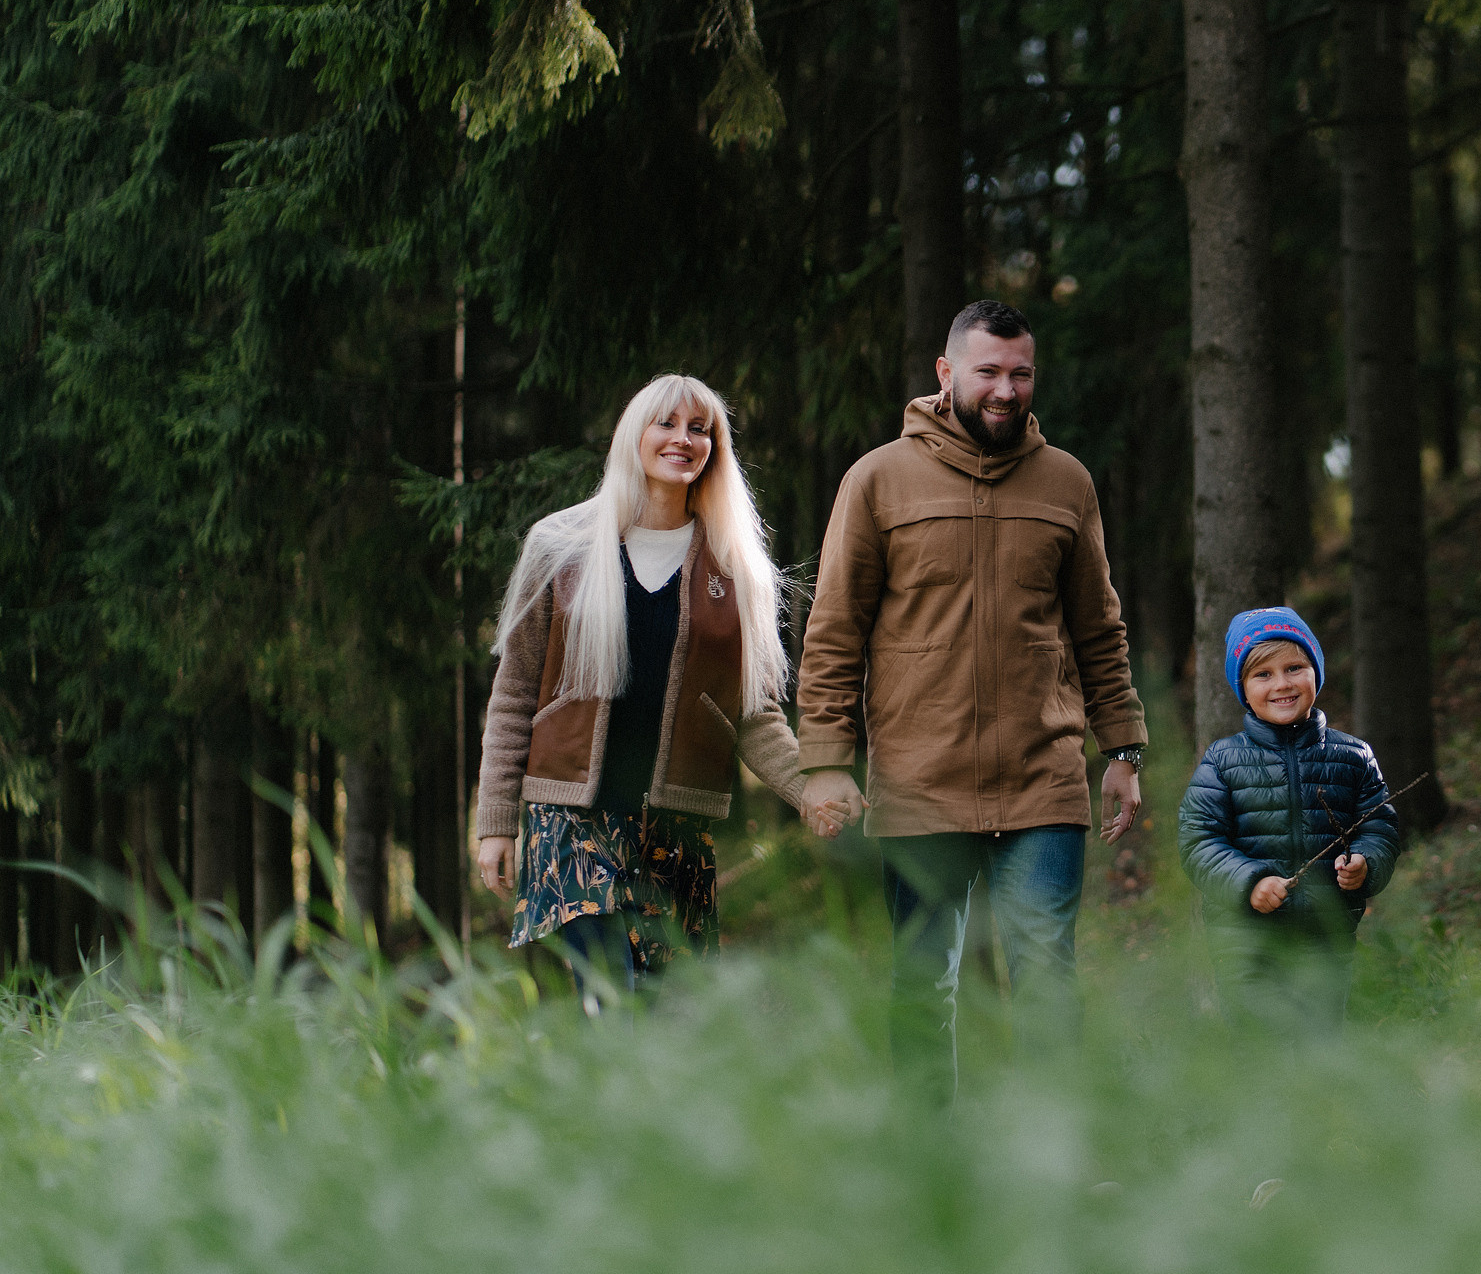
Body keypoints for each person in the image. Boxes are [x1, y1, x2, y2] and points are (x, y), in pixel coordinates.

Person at [797, 299, 1146, 1101]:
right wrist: (824, 759)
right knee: (925, 980)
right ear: (947, 373)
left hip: (1042, 777)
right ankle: (934, 1175)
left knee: (1047, 972)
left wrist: (1122, 748)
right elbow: (834, 630)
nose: (1005, 389)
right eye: (988, 371)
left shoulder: (1067, 482)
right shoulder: (877, 479)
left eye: (1021, 373)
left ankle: (1048, 1164)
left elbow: (1100, 627)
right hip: (921, 779)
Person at [472, 375, 852, 1001]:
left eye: (700, 429)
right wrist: (496, 824)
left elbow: (754, 714)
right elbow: (514, 696)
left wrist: (806, 789)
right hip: (571, 817)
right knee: (609, 993)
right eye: (667, 424)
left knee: (665, 1014)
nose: (683, 439)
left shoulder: (735, 567)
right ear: (634, 436)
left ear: (715, 449)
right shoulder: (559, 546)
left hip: (674, 827)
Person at [1178, 607, 1401, 1033]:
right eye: (1263, 674)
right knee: (1259, 1047)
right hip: (1245, 938)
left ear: (1315, 672)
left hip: (1326, 935)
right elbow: (1199, 841)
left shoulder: (1352, 757)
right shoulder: (1222, 761)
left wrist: (1366, 864)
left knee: (1320, 1042)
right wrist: (1250, 881)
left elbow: (1380, 827)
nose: (1282, 683)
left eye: (1295, 668)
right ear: (1243, 688)